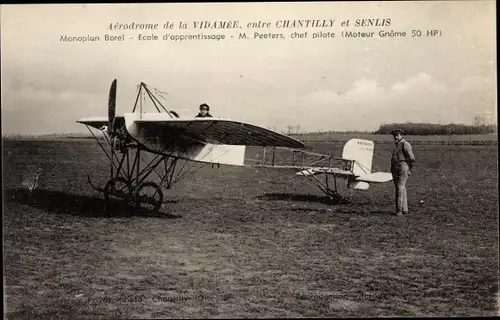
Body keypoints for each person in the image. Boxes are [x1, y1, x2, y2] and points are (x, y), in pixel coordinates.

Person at [390, 129, 415, 216]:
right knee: (402, 188)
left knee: (399, 188)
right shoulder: (397, 145)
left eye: (397, 135)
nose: (395, 137)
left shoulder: (405, 144)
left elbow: (412, 158)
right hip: (396, 167)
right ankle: (404, 209)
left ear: (401, 135)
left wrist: (409, 169)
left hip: (402, 167)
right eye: (394, 135)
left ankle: (399, 210)